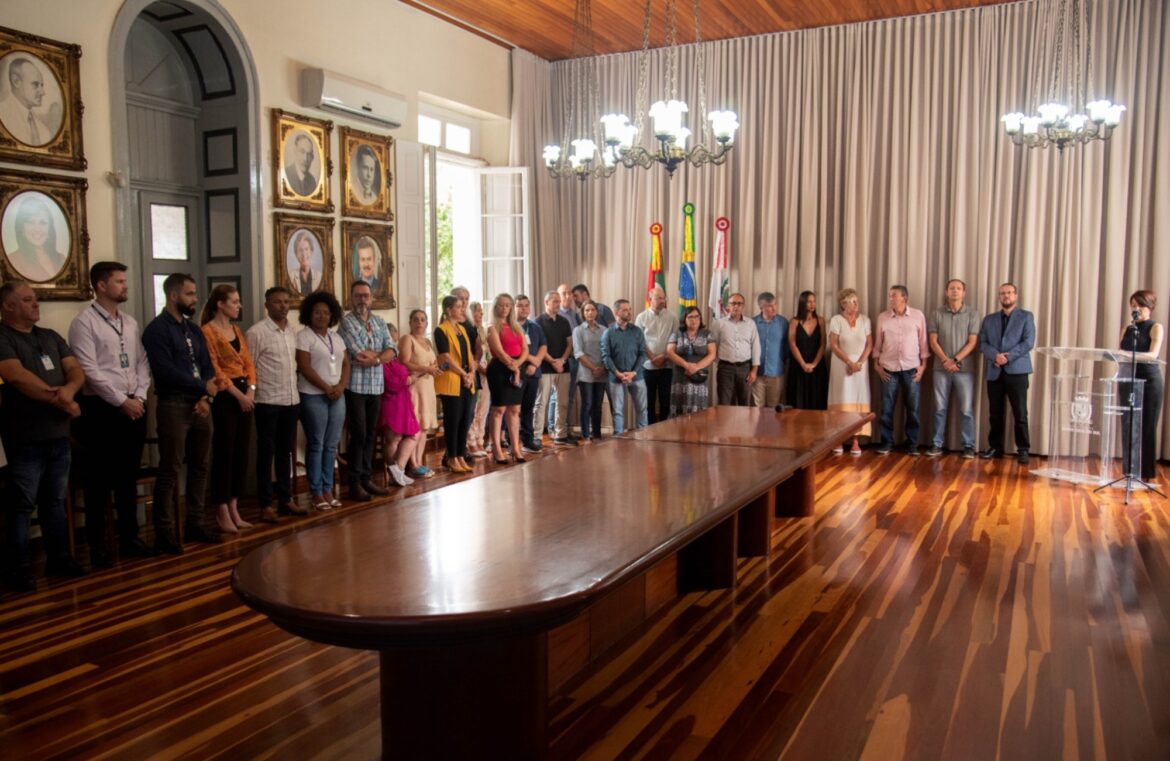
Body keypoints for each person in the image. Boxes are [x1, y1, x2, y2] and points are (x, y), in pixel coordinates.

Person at [0, 281, 86, 591]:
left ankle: (58, 559)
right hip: (25, 436)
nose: (36, 304)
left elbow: (75, 370)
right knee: (22, 504)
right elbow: (16, 376)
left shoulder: (49, 336)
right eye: (27, 300)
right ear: (8, 307)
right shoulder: (4, 337)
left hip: (58, 434)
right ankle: (19, 569)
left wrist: (69, 390)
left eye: (35, 299)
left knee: (54, 500)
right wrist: (60, 400)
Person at [67, 262, 155, 565]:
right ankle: (99, 546)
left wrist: (139, 395)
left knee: (127, 477)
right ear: (101, 286)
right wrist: (120, 401)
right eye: (119, 281)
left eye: (124, 281)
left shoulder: (129, 322)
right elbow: (89, 370)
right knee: (99, 481)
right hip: (102, 409)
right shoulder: (84, 323)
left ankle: (129, 538)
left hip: (134, 404)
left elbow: (141, 362)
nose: (125, 286)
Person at [141, 273, 225, 553]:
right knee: (170, 469)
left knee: (200, 466)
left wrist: (206, 397)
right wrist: (202, 387)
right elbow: (165, 371)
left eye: (195, 294)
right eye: (189, 294)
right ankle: (165, 531)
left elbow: (207, 366)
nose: (195, 299)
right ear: (174, 295)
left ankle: (195, 523)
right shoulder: (157, 330)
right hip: (174, 404)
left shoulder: (193, 330)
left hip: (201, 404)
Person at [247, 286, 307, 522]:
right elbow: (249, 368)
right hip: (267, 401)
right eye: (277, 302)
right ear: (267, 305)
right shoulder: (256, 332)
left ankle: (285, 499)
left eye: (286, 302)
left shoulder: (292, 331)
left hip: (291, 400)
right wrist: (252, 392)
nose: (283, 306)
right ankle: (265, 504)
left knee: (285, 452)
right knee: (266, 453)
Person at [338, 280, 396, 500]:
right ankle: (354, 483)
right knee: (359, 434)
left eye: (365, 295)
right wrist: (380, 355)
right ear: (351, 299)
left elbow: (393, 349)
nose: (362, 299)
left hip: (376, 386)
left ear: (371, 299)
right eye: (358, 296)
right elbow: (358, 352)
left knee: (371, 433)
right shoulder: (346, 322)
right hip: (355, 387)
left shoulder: (379, 321)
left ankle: (366, 478)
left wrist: (377, 358)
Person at [296, 291, 350, 509]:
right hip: (313, 395)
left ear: (332, 315)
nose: (322, 316)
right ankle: (316, 492)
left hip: (337, 396)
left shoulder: (336, 338)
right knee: (316, 443)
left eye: (326, 313)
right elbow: (304, 366)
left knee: (331, 444)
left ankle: (328, 489)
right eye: (317, 312)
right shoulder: (304, 336)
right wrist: (327, 388)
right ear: (309, 314)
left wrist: (340, 387)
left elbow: (346, 364)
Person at [979, 282, 1036, 464]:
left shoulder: (1026, 316)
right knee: (995, 413)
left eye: (1009, 293)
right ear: (999, 297)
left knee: (1020, 413)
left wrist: (1007, 357)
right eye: (1003, 293)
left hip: (1017, 371)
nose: (1006, 296)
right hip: (994, 371)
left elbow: (1028, 342)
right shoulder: (989, 319)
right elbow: (983, 343)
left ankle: (1023, 449)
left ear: (1015, 296)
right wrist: (995, 356)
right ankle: (995, 447)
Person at [926, 279, 981, 458]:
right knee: (939, 409)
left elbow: (972, 342)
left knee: (966, 410)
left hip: (964, 369)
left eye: (958, 288)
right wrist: (945, 361)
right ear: (946, 292)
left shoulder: (973, 314)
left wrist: (955, 360)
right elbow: (933, 341)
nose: (955, 291)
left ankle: (968, 446)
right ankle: (936, 444)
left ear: (964, 293)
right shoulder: (936, 313)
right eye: (952, 288)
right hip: (940, 368)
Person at [873, 285, 928, 456]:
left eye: (894, 295)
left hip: (912, 369)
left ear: (904, 297)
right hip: (888, 369)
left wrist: (923, 366)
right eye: (890, 296)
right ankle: (886, 442)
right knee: (887, 408)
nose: (891, 299)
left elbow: (923, 343)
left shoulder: (918, 316)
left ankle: (912, 444)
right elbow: (878, 344)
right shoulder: (883, 317)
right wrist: (876, 365)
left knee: (913, 408)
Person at [1119, 289, 1164, 482]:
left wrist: (1129, 355)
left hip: (1149, 380)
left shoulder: (1155, 327)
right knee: (1128, 424)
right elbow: (1120, 352)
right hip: (1129, 378)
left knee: (1147, 425)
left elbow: (1153, 355)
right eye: (1133, 305)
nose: (1135, 309)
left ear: (1149, 307)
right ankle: (1129, 470)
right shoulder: (1128, 328)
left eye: (1139, 305)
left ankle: (1146, 473)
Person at [827, 289, 872, 455]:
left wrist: (858, 363)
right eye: (851, 301)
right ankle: (838, 439)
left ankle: (855, 440)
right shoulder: (836, 320)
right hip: (841, 365)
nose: (855, 304)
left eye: (856, 301)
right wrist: (848, 362)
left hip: (860, 367)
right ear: (843, 304)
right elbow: (833, 345)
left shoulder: (865, 320)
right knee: (842, 399)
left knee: (858, 400)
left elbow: (869, 344)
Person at [486, 293, 529, 463]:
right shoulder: (492, 327)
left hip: (517, 367)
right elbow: (499, 352)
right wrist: (514, 366)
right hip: (500, 370)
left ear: (511, 308)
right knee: (499, 410)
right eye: (501, 305)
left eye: (507, 305)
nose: (504, 308)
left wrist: (518, 365)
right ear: (495, 307)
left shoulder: (516, 326)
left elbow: (525, 349)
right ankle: (496, 448)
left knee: (515, 410)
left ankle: (515, 448)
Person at [434, 294, 475, 473]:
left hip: (466, 380)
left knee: (465, 420)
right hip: (452, 379)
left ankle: (460, 455)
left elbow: (469, 355)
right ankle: (451, 457)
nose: (462, 309)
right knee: (453, 420)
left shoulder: (462, 329)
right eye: (458, 307)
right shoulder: (440, 330)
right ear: (448, 310)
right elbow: (445, 357)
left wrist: (471, 373)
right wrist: (464, 373)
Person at [397, 308, 440, 478]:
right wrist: (426, 369)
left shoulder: (427, 342)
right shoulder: (408, 339)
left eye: (422, 320)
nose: (419, 323)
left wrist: (435, 368)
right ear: (410, 323)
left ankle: (419, 463)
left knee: (423, 427)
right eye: (416, 320)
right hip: (414, 387)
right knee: (414, 428)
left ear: (427, 323)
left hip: (428, 387)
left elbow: (432, 363)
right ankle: (412, 464)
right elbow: (404, 362)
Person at [601, 299, 649, 433]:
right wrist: (617, 373)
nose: (629, 312)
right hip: (616, 378)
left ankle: (644, 437)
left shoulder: (637, 331)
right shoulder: (608, 333)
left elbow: (643, 353)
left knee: (642, 409)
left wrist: (633, 372)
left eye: (629, 309)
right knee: (617, 411)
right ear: (616, 312)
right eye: (625, 310)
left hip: (637, 377)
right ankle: (619, 438)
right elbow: (606, 356)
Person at [534, 290, 574, 444]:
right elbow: (539, 346)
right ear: (546, 302)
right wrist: (553, 361)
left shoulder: (564, 321)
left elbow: (569, 344)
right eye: (555, 301)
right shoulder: (538, 322)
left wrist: (562, 361)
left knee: (562, 403)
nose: (559, 304)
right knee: (541, 403)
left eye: (559, 301)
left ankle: (560, 434)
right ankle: (537, 436)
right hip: (545, 368)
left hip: (563, 368)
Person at [635, 285, 678, 424]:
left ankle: (664, 428)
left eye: (663, 298)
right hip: (647, 366)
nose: (662, 301)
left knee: (666, 401)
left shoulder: (672, 317)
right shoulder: (641, 317)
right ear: (650, 299)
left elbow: (675, 339)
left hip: (667, 365)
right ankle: (650, 429)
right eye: (658, 298)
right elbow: (639, 341)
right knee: (649, 401)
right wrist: (653, 358)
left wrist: (664, 356)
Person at [666, 305, 717, 416]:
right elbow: (670, 352)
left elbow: (712, 355)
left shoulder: (707, 334)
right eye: (690, 317)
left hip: (699, 377)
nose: (694, 320)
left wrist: (696, 367)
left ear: (700, 318)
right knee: (679, 412)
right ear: (684, 318)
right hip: (680, 377)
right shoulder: (677, 333)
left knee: (698, 412)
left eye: (697, 317)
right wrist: (687, 366)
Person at [710, 292, 760, 406]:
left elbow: (756, 347)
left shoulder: (750, 324)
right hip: (725, 369)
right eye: (733, 303)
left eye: (739, 303)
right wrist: (721, 361)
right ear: (728, 305)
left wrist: (754, 370)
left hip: (745, 369)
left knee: (745, 403)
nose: (736, 306)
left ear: (743, 306)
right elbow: (713, 346)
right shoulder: (718, 324)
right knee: (724, 403)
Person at [377, 354, 419, 487]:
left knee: (413, 436)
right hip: (391, 401)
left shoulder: (395, 359)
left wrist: (413, 375)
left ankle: (398, 471)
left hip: (403, 400)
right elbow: (391, 383)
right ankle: (395, 473)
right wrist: (410, 379)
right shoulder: (382, 361)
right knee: (393, 439)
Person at [0, 56, 60, 146]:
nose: (42, 92)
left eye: (42, 85)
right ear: (16, 81)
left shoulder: (44, 131)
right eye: (35, 84)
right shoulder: (2, 113)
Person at [7, 193, 67, 283]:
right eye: (31, 222)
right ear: (21, 229)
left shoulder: (61, 259)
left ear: (50, 229)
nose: (37, 229)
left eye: (43, 223)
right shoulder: (12, 260)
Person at [786, 291, 829, 410]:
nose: (812, 304)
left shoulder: (821, 320)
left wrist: (814, 364)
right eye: (809, 301)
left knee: (817, 401)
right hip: (798, 365)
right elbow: (792, 343)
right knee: (797, 401)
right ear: (802, 303)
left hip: (817, 366)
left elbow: (823, 344)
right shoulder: (794, 321)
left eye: (814, 301)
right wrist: (803, 364)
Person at [516, 294, 547, 453]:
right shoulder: (511, 327)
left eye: (526, 305)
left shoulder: (535, 327)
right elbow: (514, 349)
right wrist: (531, 359)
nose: (524, 308)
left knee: (528, 408)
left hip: (533, 373)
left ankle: (528, 441)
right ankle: (511, 441)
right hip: (516, 372)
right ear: (514, 308)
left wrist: (536, 362)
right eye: (520, 305)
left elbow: (543, 346)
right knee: (513, 409)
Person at [573, 301, 608, 442]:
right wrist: (594, 368)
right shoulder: (578, 330)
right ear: (583, 313)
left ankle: (597, 433)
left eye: (593, 310)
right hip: (586, 373)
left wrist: (602, 368)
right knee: (587, 404)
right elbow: (578, 353)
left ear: (597, 312)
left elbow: (607, 351)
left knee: (597, 405)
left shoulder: (604, 330)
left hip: (602, 372)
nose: (590, 313)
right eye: (587, 310)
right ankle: (586, 434)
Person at [752, 291, 790, 408]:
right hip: (757, 373)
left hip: (776, 373)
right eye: (769, 306)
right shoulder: (752, 323)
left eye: (775, 304)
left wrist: (781, 362)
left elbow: (787, 347)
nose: (774, 308)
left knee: (774, 408)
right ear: (761, 307)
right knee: (758, 407)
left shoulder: (783, 323)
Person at [466, 300, 491, 457]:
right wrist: (480, 368)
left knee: (484, 409)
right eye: (477, 310)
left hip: (487, 373)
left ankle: (480, 439)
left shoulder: (483, 331)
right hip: (475, 371)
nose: (481, 313)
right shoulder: (469, 331)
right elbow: (471, 354)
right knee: (474, 410)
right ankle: (471, 441)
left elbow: (487, 353)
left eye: (481, 310)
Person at [284, 132, 318, 197]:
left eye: (309, 154)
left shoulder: (312, 181)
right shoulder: (286, 174)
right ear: (295, 151)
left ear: (312, 158)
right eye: (302, 152)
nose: (305, 158)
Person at [288, 231, 322, 295]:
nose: (304, 254)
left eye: (306, 249)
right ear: (296, 254)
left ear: (311, 252)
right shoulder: (291, 277)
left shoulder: (319, 277)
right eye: (300, 250)